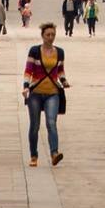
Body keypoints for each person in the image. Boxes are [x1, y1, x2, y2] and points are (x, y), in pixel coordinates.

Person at [23, 22, 69, 167]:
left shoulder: (60, 52)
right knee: (35, 125)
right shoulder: (35, 51)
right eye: (48, 35)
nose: (51, 37)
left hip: (52, 92)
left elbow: (60, 70)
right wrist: (25, 87)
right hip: (36, 92)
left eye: (53, 35)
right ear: (42, 36)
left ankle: (54, 153)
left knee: (51, 123)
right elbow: (28, 70)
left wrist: (64, 80)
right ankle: (33, 155)